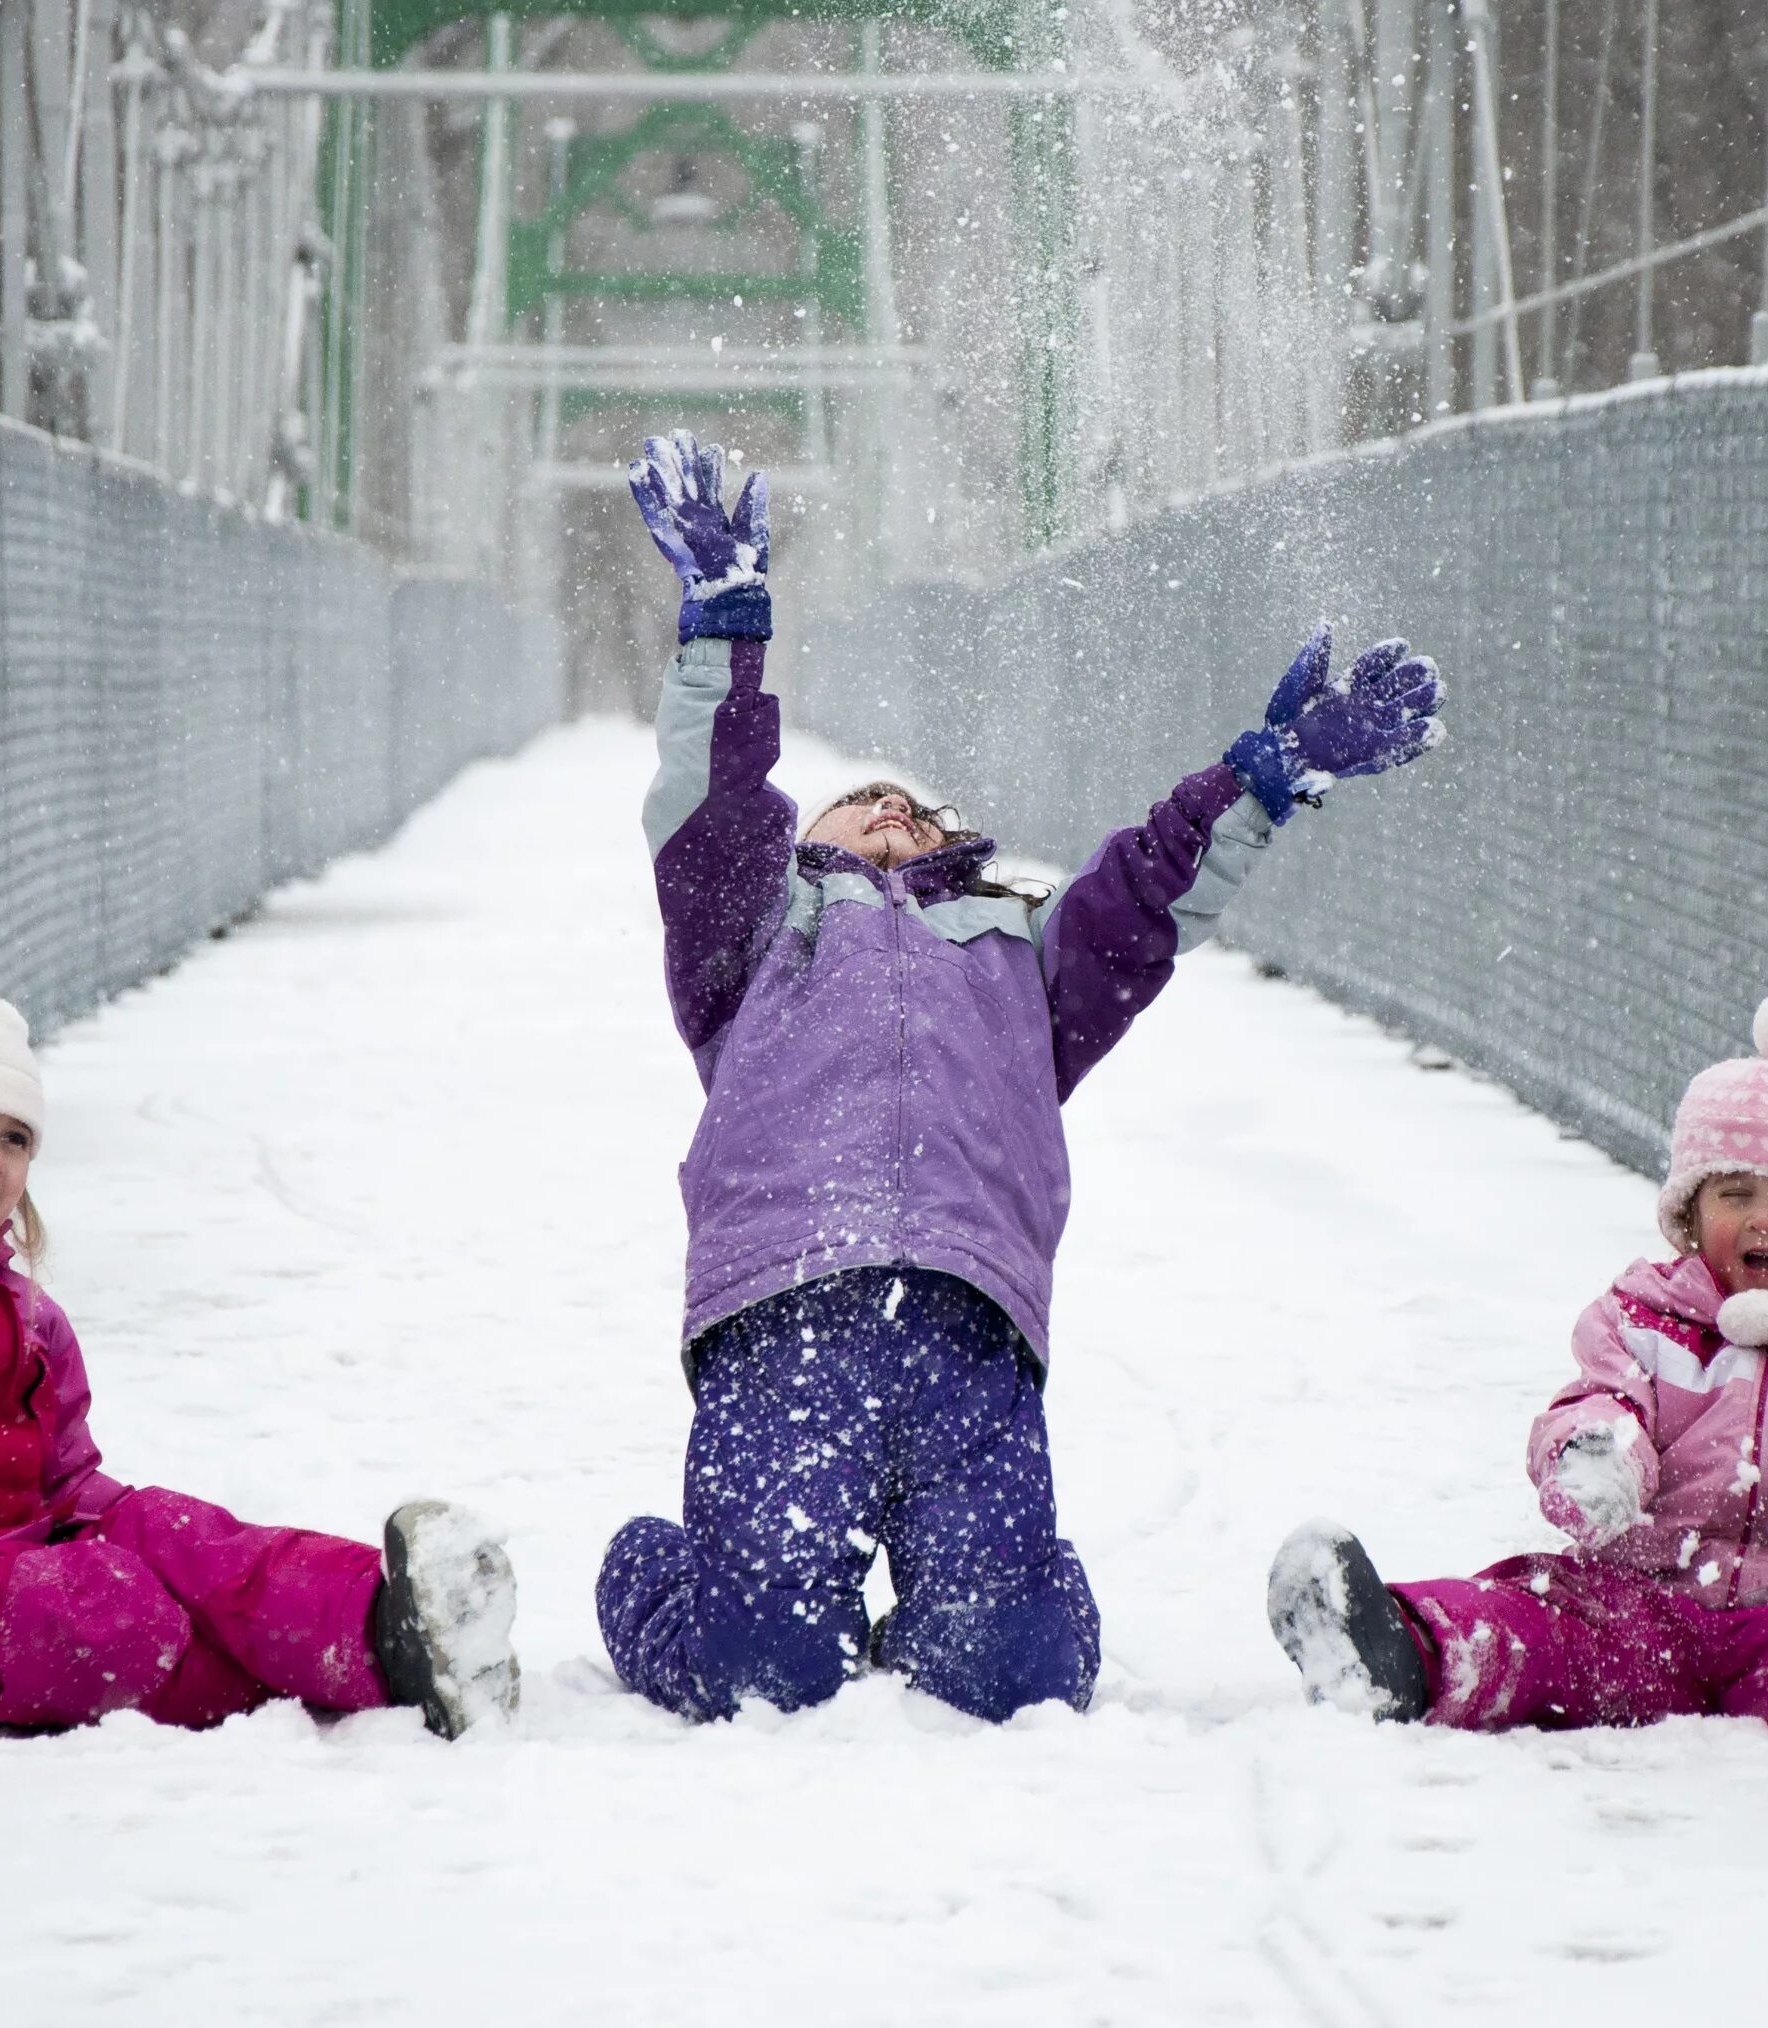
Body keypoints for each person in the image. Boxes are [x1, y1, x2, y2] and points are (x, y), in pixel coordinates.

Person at [595, 431, 1443, 1723]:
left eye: (923, 816)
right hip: (786, 1314)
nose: (895, 818)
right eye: (861, 806)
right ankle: (658, 1578)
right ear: (801, 845)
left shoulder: (1021, 961)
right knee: (762, 1670)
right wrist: (725, 627)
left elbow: (1148, 897)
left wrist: (1257, 787)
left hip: (969, 1323)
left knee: (1011, 1677)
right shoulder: (750, 941)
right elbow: (711, 804)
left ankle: (1011, 1600)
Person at [0, 977, 519, 1740]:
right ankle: (301, 1681)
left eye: (14, 1138)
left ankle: (385, 1626)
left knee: (178, 1538)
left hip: (9, 1559)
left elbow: (65, 1481)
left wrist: (156, 1540)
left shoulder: (28, 1317)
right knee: (93, 1603)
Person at [1268, 986, 1768, 1749]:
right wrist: (1595, 1457)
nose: (1762, 1218)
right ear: (1693, 1214)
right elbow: (1602, 1401)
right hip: (1639, 1600)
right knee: (1538, 1624)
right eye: (1736, 1193)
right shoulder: (1645, 1321)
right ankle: (1397, 1653)